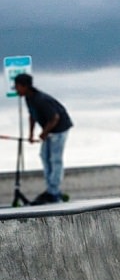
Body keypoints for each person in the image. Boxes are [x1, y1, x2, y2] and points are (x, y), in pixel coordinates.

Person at [13, 73, 73, 204]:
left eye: (17, 87)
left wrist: (44, 133)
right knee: (44, 156)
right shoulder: (28, 98)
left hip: (60, 129)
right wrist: (31, 134)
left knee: (55, 159)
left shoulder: (41, 99)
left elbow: (55, 118)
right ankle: (51, 189)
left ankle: (53, 191)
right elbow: (32, 116)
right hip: (49, 129)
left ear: (25, 86)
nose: (16, 90)